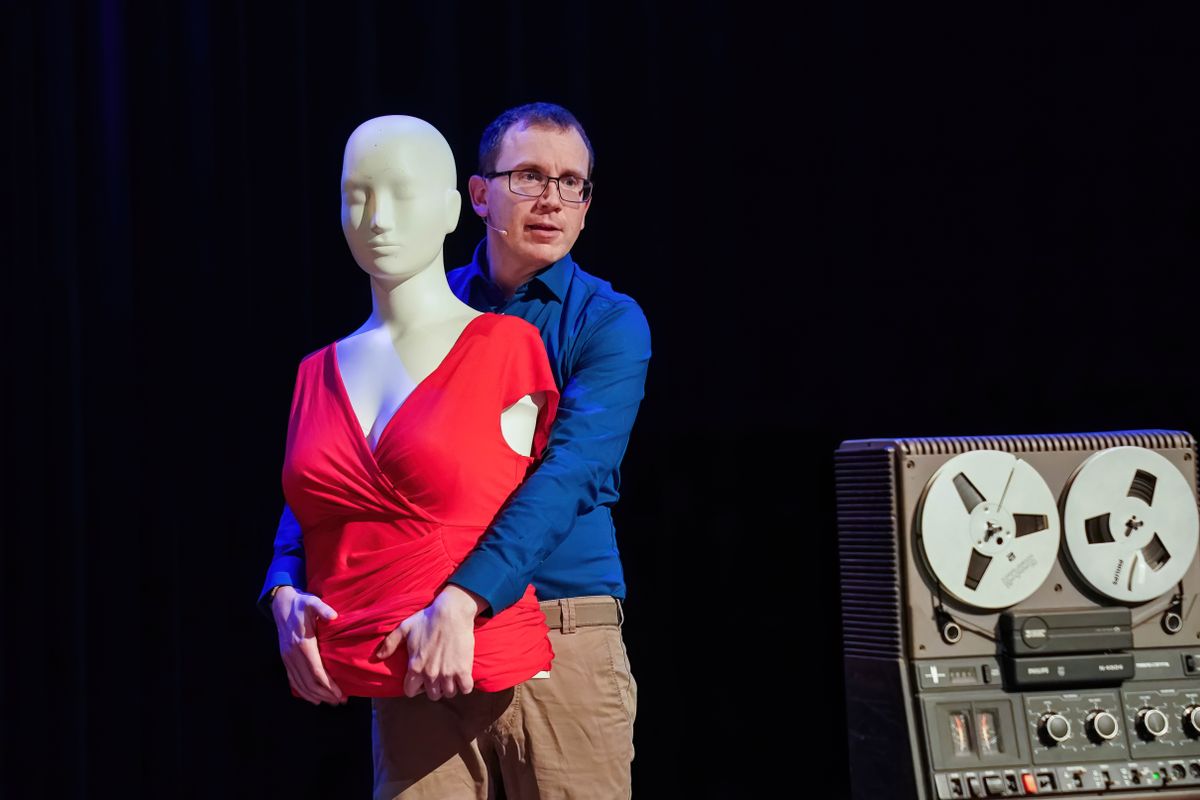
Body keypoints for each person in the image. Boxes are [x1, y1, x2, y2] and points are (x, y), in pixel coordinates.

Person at [260, 102, 652, 799]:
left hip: (557, 629)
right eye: (529, 176)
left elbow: (569, 473)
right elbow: (337, 462)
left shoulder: (605, 321)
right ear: (477, 195)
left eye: (572, 183)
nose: (552, 199)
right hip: (417, 632)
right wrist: (286, 580)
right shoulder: (418, 306)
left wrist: (466, 598)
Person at [275, 114, 560, 698]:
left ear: (454, 210)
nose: (378, 218)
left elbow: (554, 494)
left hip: (493, 672)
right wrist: (283, 590)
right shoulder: (315, 373)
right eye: (358, 195)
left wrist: (464, 600)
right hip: (369, 681)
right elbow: (304, 514)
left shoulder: (506, 349)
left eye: (403, 194)